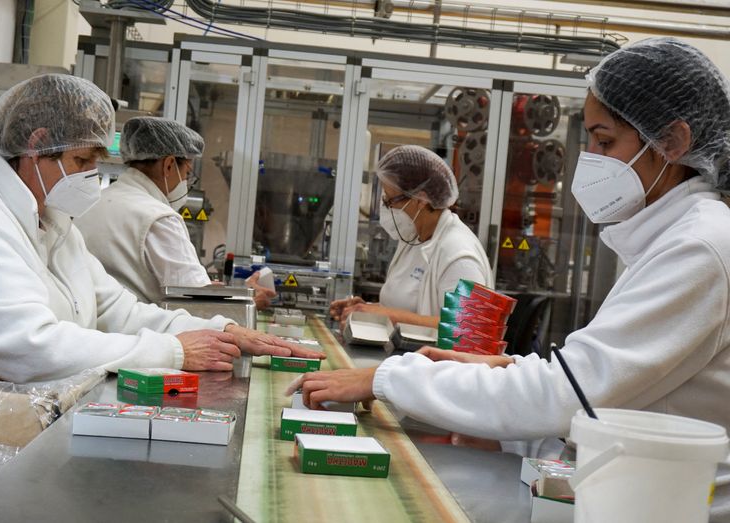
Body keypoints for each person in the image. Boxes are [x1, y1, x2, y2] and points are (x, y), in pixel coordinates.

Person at [296, 38, 730, 520]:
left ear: (672, 142)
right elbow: (599, 381)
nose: (590, 158)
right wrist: (489, 367)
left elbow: (564, 396)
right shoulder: (676, 238)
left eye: (604, 141)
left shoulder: (701, 246)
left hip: (649, 502)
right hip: (621, 480)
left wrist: (389, 377)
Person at [0, 74, 322, 383]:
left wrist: (223, 330)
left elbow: (118, 309)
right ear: (36, 145)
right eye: (81, 159)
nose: (89, 176)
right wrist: (174, 352)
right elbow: (28, 347)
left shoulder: (51, 220)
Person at [329, 145, 493, 328]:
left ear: (421, 199)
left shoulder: (459, 255)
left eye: (390, 200)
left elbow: (467, 329)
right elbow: (406, 310)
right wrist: (365, 310)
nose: (386, 208)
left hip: (434, 357)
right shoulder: (413, 240)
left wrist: (387, 315)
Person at [76, 117, 212, 305]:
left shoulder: (89, 205)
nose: (185, 182)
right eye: (187, 173)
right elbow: (196, 298)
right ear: (169, 165)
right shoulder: (159, 218)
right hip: (139, 329)